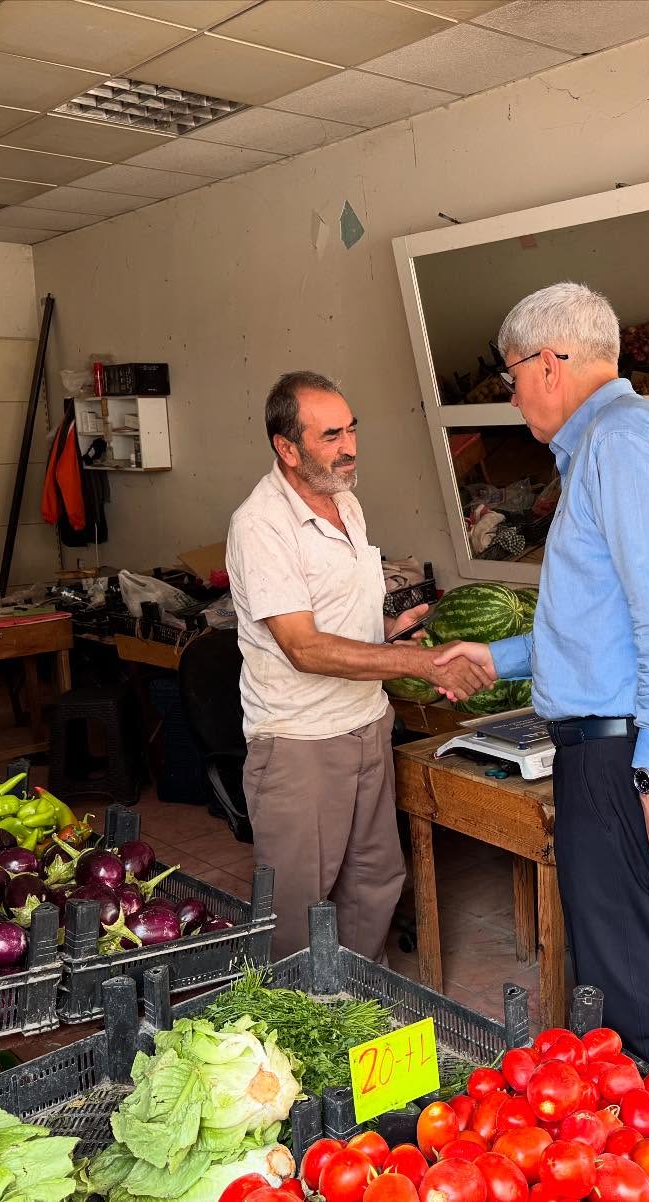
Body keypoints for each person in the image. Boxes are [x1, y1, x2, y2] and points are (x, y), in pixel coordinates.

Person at [437, 283, 649, 1086]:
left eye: (512, 375)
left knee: (636, 1009)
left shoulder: (621, 444)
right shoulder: (626, 441)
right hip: (633, 752)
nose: (512, 392)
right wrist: (499, 657)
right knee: (624, 989)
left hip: (629, 760)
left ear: (550, 363)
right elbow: (606, 621)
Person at [226, 370, 494, 959]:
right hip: (301, 744)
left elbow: (341, 620)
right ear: (286, 448)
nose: (349, 447)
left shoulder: (346, 501)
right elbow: (304, 647)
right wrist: (416, 665)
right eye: (330, 436)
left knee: (374, 883)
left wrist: (392, 633)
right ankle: (295, 1036)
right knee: (296, 909)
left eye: (351, 430)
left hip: (366, 724)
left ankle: (354, 1013)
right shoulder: (260, 526)